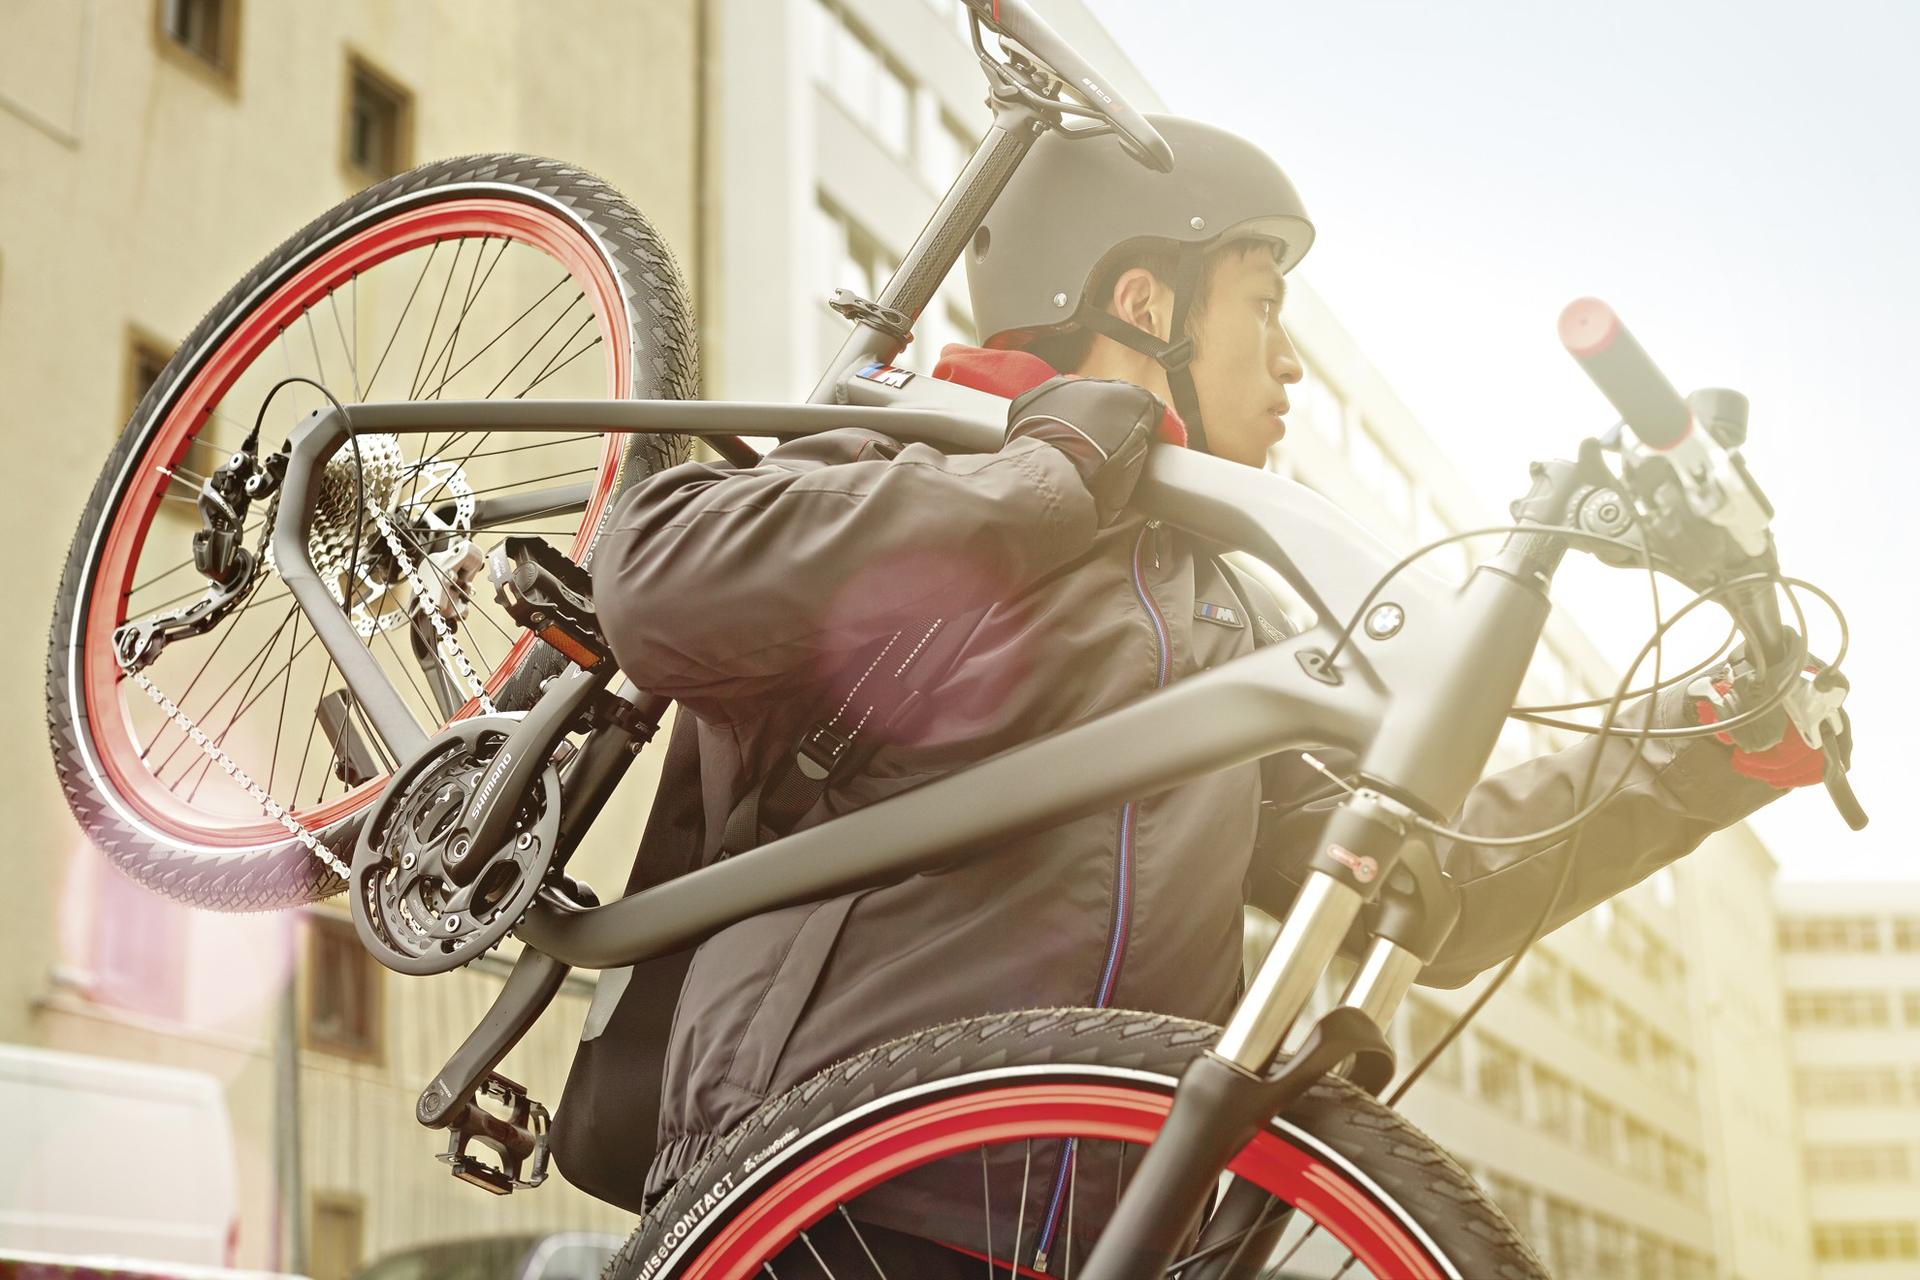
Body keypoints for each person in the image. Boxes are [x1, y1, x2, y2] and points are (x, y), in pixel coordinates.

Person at [584, 114, 1828, 1269]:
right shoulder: (921, 443)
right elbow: (660, 582)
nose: (1289, 363)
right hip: (835, 1188)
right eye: (1264, 306)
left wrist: (1703, 750)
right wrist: (1055, 469)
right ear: (1145, 302)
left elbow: (1418, 885)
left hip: (1107, 1232)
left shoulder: (1217, 618)